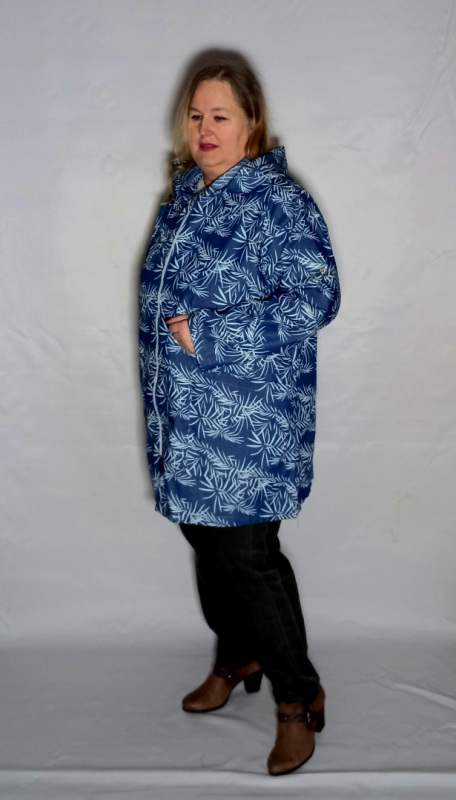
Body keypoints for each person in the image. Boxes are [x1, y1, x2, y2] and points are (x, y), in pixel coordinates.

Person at [138, 59, 341, 776]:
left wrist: (213, 337)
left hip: (249, 426)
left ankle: (298, 698)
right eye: (196, 116)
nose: (205, 129)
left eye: (220, 116)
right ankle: (239, 652)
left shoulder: (277, 202)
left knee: (248, 559)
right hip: (187, 421)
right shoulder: (186, 198)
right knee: (210, 546)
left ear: (251, 123)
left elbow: (316, 296)